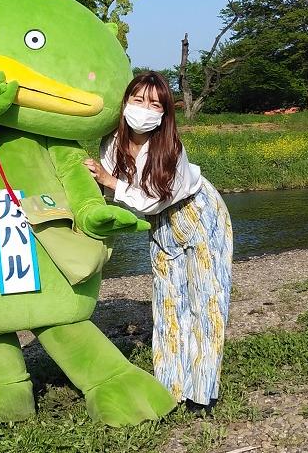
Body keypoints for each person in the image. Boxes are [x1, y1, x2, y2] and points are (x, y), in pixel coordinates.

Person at [83, 71, 232, 409]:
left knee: (206, 303)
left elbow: (154, 199)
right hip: (162, 226)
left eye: (154, 103)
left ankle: (202, 393)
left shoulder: (170, 148)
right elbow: (109, 190)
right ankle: (171, 389)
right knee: (168, 305)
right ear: (124, 103)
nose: (144, 109)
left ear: (164, 113)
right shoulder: (112, 144)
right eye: (138, 100)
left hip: (199, 215)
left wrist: (110, 182)